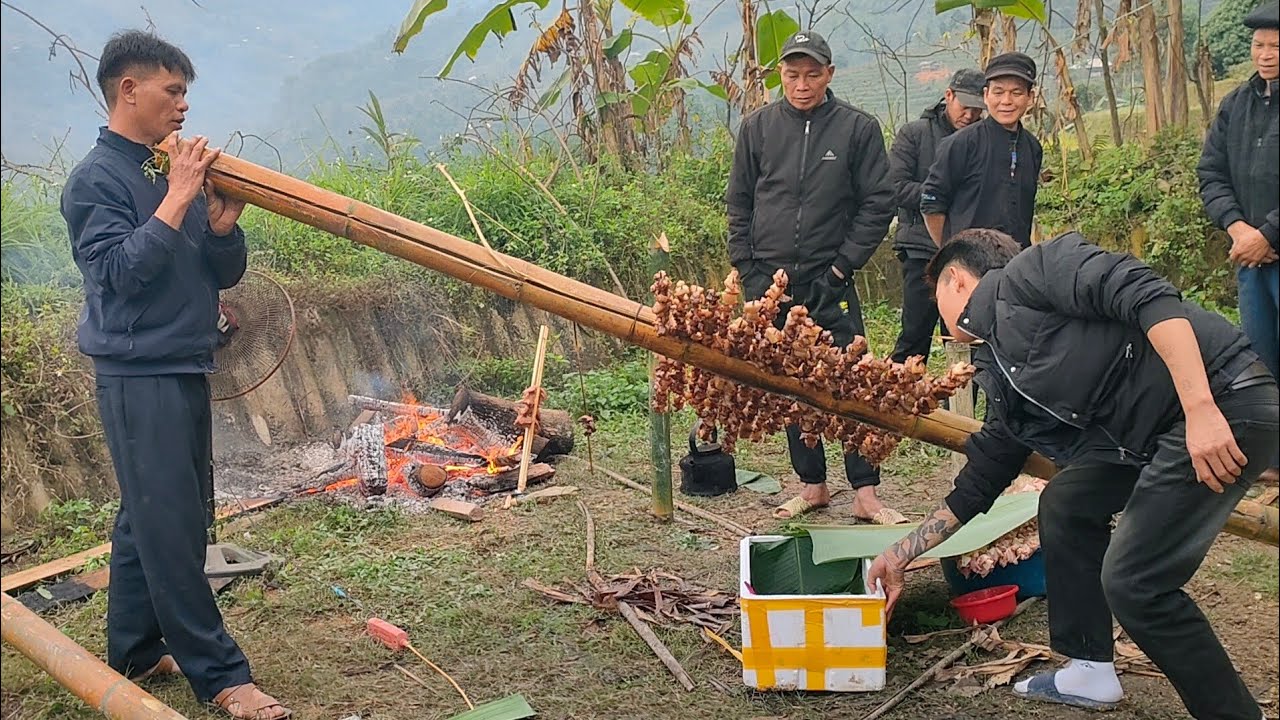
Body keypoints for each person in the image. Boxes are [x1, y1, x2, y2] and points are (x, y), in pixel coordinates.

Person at [867, 229, 1277, 719]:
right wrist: (901, 554)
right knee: (1068, 500)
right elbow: (986, 471)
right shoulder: (995, 365)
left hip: (1225, 401)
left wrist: (1201, 407)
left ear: (955, 280)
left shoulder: (1038, 270)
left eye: (936, 298)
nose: (937, 317)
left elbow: (1148, 296)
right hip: (1148, 438)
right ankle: (1089, 669)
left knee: (1134, 582)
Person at [61, 30, 290, 719]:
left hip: (184, 363)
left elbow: (221, 274)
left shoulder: (164, 171)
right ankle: (222, 676)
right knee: (173, 526)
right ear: (128, 90)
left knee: (150, 516)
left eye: (186, 92)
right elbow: (116, 275)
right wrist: (177, 197)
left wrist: (220, 226)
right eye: (172, 90)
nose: (184, 105)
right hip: (138, 376)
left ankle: (134, 648)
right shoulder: (97, 180)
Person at [725, 30, 903, 524]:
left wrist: (843, 265)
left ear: (829, 74)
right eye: (792, 74)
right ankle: (813, 484)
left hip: (832, 280)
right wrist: (749, 270)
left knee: (850, 380)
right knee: (789, 385)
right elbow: (740, 201)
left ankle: (866, 491)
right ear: (780, 75)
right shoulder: (758, 128)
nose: (801, 85)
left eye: (811, 74)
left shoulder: (857, 129)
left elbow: (877, 203)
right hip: (770, 281)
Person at [1197, 0, 1279, 486]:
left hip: (1268, 247)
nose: (1266, 54)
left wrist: (1268, 233)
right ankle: (1273, 454)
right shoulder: (1237, 103)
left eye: (1276, 46)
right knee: (1261, 356)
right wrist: (1239, 229)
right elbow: (1211, 173)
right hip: (1249, 259)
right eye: (1259, 45)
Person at [888, 68, 985, 364]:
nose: (968, 114)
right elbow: (893, 187)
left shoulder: (983, 140)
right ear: (948, 96)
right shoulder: (915, 135)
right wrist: (937, 199)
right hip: (921, 250)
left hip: (969, 254)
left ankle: (956, 405)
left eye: (977, 109)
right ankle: (900, 400)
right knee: (915, 332)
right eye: (963, 105)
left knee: (964, 335)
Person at [920, 53, 1043, 249]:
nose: (1006, 101)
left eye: (1017, 93)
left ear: (1031, 97)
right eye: (998, 92)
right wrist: (950, 251)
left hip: (1017, 262)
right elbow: (931, 204)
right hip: (970, 263)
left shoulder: (1032, 147)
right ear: (986, 95)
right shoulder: (961, 143)